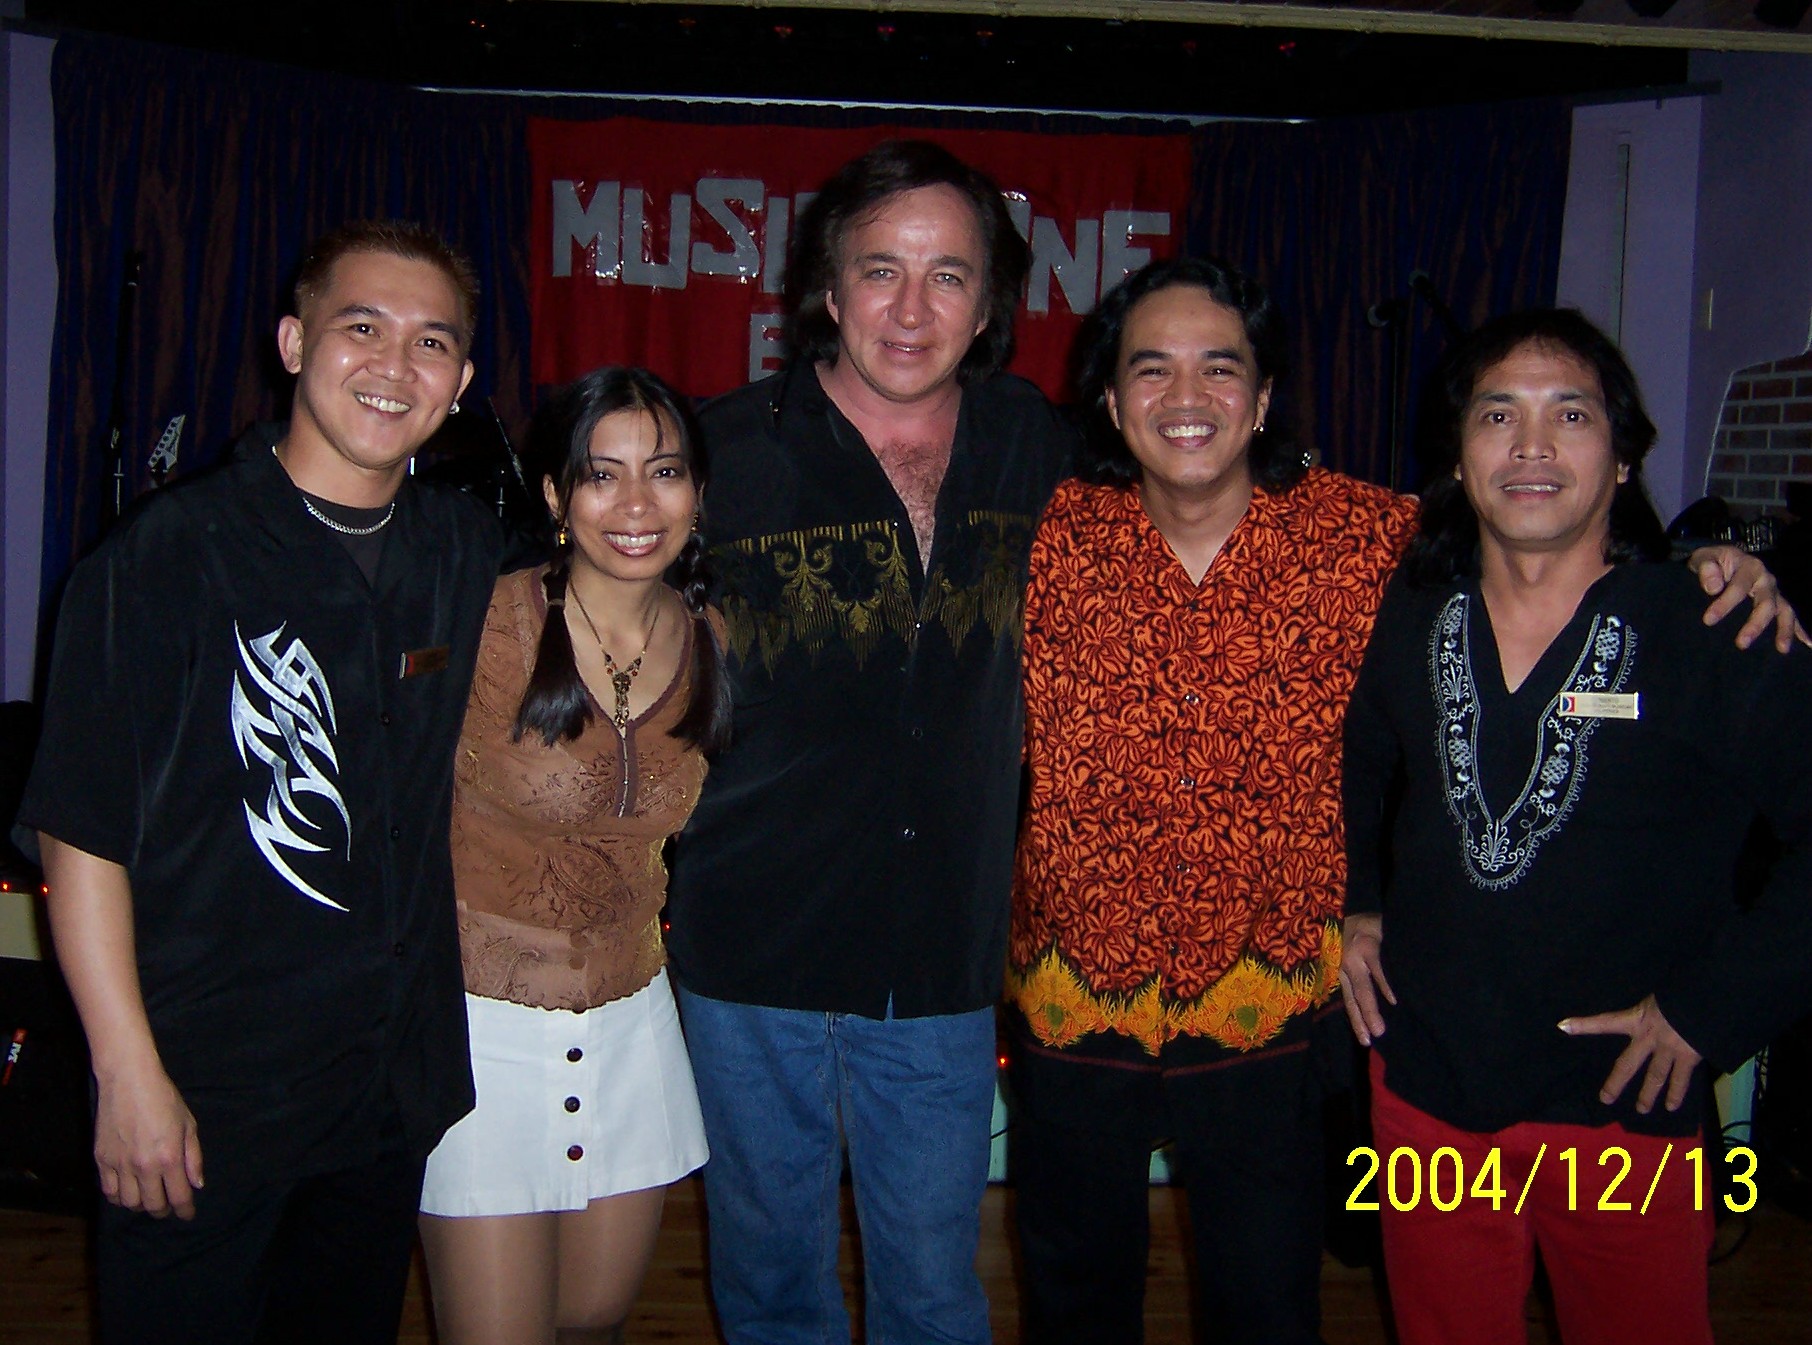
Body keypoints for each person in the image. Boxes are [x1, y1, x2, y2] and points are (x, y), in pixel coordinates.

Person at [1004, 260, 1800, 1345]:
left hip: (1330, 1031)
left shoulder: (1368, 543)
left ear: (1267, 394)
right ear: (1109, 398)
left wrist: (1721, 562)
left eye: (1220, 367)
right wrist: (1368, 900)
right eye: (1154, 369)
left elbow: (1562, 541)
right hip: (1151, 1020)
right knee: (1098, 1308)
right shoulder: (1041, 537)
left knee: (1279, 1308)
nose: (1186, 399)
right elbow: (1376, 753)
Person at [18, 222, 501, 1343]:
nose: (395, 366)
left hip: (384, 1095)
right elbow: (80, 835)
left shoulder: (464, 554)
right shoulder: (166, 558)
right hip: (203, 1103)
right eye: (361, 328)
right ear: (293, 342)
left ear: (462, 381)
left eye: (432, 342)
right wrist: (126, 1075)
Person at [663, 139, 1073, 1343]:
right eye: (879, 270)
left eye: (949, 275)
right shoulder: (718, 453)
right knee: (774, 1288)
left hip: (941, 951)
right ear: (828, 292)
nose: (910, 307)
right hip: (756, 949)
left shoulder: (1037, 449)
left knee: (937, 1294)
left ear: (990, 302)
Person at [1339, 308, 1812, 1345]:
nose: (1532, 447)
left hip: (1620, 1116)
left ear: (1626, 457)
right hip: (1429, 1092)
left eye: (1572, 414)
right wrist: (1357, 902)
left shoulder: (1712, 631)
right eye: (1498, 415)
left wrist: (1707, 1012)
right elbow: (1360, 755)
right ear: (1461, 461)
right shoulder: (1411, 612)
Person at [417, 367, 727, 1345]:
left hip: (633, 1021)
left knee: (591, 1318)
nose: (637, 503)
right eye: (603, 474)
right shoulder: (483, 621)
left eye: (665, 470)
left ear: (698, 491)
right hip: (479, 1032)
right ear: (554, 494)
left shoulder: (713, 638)